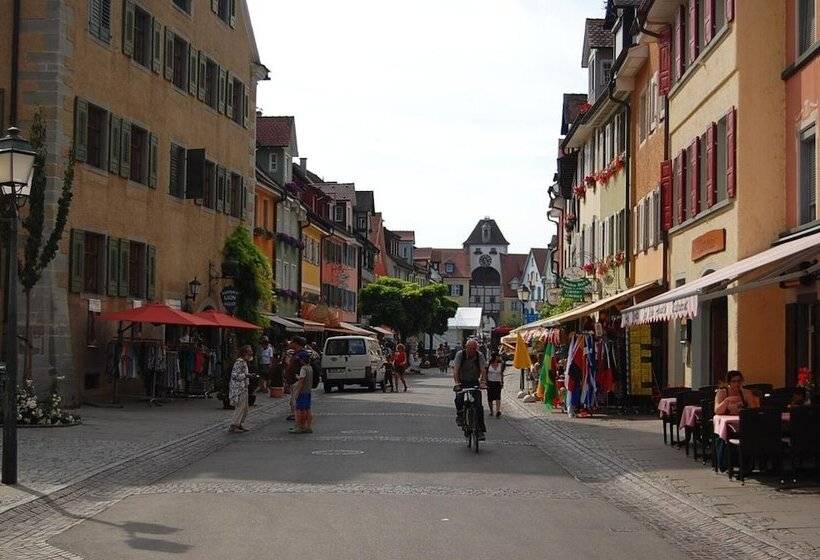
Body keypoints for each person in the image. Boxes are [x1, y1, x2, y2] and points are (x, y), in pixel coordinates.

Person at [453, 338, 487, 439]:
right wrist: (457, 383)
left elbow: (483, 370)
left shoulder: (479, 355)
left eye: (474, 348)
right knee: (458, 399)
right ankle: (460, 415)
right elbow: (455, 370)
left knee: (478, 406)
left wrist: (482, 382)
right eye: (470, 348)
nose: (472, 350)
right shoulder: (460, 354)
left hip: (474, 381)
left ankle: (480, 430)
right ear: (466, 347)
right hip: (462, 381)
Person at [228, 345, 253, 433]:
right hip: (239, 388)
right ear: (244, 353)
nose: (251, 352)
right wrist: (246, 375)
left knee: (245, 407)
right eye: (249, 351)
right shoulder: (239, 362)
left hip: (244, 387)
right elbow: (234, 375)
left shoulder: (244, 362)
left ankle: (239, 424)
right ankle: (234, 425)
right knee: (240, 407)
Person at [289, 350, 314, 434]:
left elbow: (301, 381)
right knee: (308, 409)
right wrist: (299, 377)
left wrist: (297, 392)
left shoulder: (303, 368)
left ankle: (300, 426)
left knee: (299, 409)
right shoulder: (310, 367)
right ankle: (308, 426)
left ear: (302, 360)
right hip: (308, 391)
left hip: (302, 392)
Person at [284, 336, 307, 421]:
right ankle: (295, 414)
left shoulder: (302, 354)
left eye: (292, 342)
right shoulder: (296, 353)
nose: (290, 343)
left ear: (296, 344)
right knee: (293, 399)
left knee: (296, 399)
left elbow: (305, 368)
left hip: (298, 380)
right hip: (293, 380)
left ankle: (298, 415)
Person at [486, 351, 505, 417]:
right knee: (490, 398)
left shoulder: (501, 364)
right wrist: (485, 381)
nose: (499, 357)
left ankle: (497, 411)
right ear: (495, 357)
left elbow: (501, 374)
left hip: (497, 382)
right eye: (497, 356)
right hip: (490, 382)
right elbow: (485, 373)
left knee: (498, 397)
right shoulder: (488, 364)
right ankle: (491, 411)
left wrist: (502, 382)